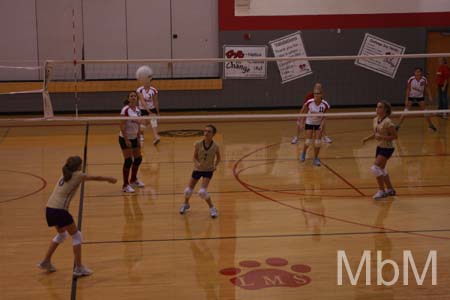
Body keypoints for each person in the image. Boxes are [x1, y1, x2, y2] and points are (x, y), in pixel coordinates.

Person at [38, 156, 116, 277]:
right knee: (77, 236)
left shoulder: (65, 175)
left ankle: (45, 261)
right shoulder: (78, 175)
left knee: (62, 234)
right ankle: (79, 268)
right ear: (78, 166)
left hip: (49, 208)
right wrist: (109, 178)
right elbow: (96, 177)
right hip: (59, 210)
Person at [179, 124, 221, 218]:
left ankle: (212, 208)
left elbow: (218, 158)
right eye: (205, 131)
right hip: (198, 170)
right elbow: (194, 157)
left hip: (208, 170)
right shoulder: (198, 144)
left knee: (202, 192)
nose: (206, 133)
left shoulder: (216, 146)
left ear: (213, 134)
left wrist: (215, 166)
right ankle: (186, 204)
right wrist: (197, 163)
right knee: (187, 190)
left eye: (209, 131)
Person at [362, 100, 397, 200]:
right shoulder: (375, 119)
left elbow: (395, 136)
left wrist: (382, 137)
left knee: (375, 168)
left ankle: (381, 191)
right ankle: (390, 189)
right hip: (380, 147)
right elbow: (375, 134)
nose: (377, 109)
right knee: (381, 169)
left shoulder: (388, 122)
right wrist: (367, 139)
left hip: (387, 148)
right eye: (377, 107)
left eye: (380, 107)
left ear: (385, 110)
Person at [120, 91, 145, 193]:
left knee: (138, 159)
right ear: (128, 98)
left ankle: (133, 180)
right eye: (131, 96)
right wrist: (126, 139)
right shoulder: (125, 110)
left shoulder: (138, 110)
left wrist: (139, 138)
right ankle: (125, 185)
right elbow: (121, 126)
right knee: (128, 161)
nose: (133, 97)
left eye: (135, 96)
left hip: (135, 138)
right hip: (125, 138)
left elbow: (138, 125)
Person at [299, 87, 330, 166]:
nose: (316, 95)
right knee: (308, 141)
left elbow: (325, 116)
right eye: (315, 94)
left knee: (317, 142)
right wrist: (301, 122)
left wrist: (322, 126)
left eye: (318, 94)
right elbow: (304, 112)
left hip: (318, 124)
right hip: (309, 122)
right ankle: (303, 153)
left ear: (321, 95)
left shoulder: (325, 104)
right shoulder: (309, 102)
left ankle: (316, 158)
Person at [137, 75, 161, 145]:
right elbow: (142, 101)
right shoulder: (140, 90)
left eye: (148, 81)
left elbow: (155, 102)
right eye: (145, 81)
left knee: (153, 118)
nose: (147, 82)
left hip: (152, 108)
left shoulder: (154, 90)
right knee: (144, 123)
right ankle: (141, 135)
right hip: (142, 109)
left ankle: (156, 136)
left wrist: (158, 112)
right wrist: (148, 110)